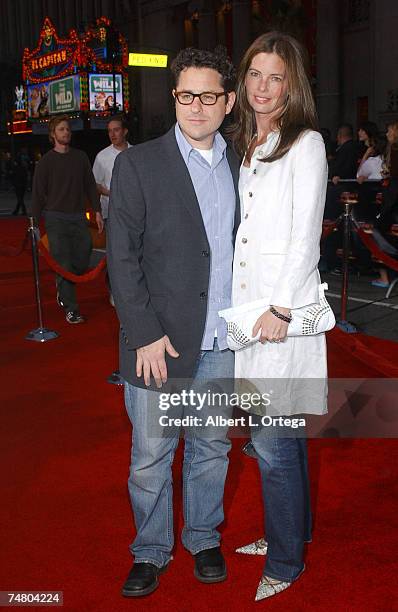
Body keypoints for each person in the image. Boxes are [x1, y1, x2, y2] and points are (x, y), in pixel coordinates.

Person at [107, 47, 239, 598]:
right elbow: (121, 257)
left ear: (228, 102)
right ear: (174, 97)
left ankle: (203, 536)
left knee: (212, 447)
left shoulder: (244, 162)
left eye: (209, 96)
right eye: (187, 95)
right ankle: (151, 549)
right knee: (150, 456)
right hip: (158, 342)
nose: (196, 107)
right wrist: (144, 333)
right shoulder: (139, 163)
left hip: (223, 340)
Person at [229, 31, 328, 600]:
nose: (263, 87)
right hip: (252, 312)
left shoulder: (306, 143)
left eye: (276, 77)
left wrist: (282, 308)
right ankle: (290, 532)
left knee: (271, 442)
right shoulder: (251, 144)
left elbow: (304, 235)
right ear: (243, 83)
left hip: (278, 316)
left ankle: (287, 561)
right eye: (255, 75)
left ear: (292, 87)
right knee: (280, 437)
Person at [32, 115, 103, 324]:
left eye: (68, 129)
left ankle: (62, 290)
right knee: (63, 263)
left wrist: (97, 211)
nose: (66, 132)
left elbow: (90, 185)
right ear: (53, 134)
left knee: (82, 258)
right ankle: (71, 308)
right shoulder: (45, 162)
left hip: (78, 217)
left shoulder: (80, 157)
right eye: (62, 129)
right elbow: (37, 195)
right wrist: (35, 225)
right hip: (56, 219)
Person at [371, 121, 398, 288]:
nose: (387, 134)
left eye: (389, 130)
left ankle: (385, 277)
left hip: (392, 203)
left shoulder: (394, 150)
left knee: (377, 232)